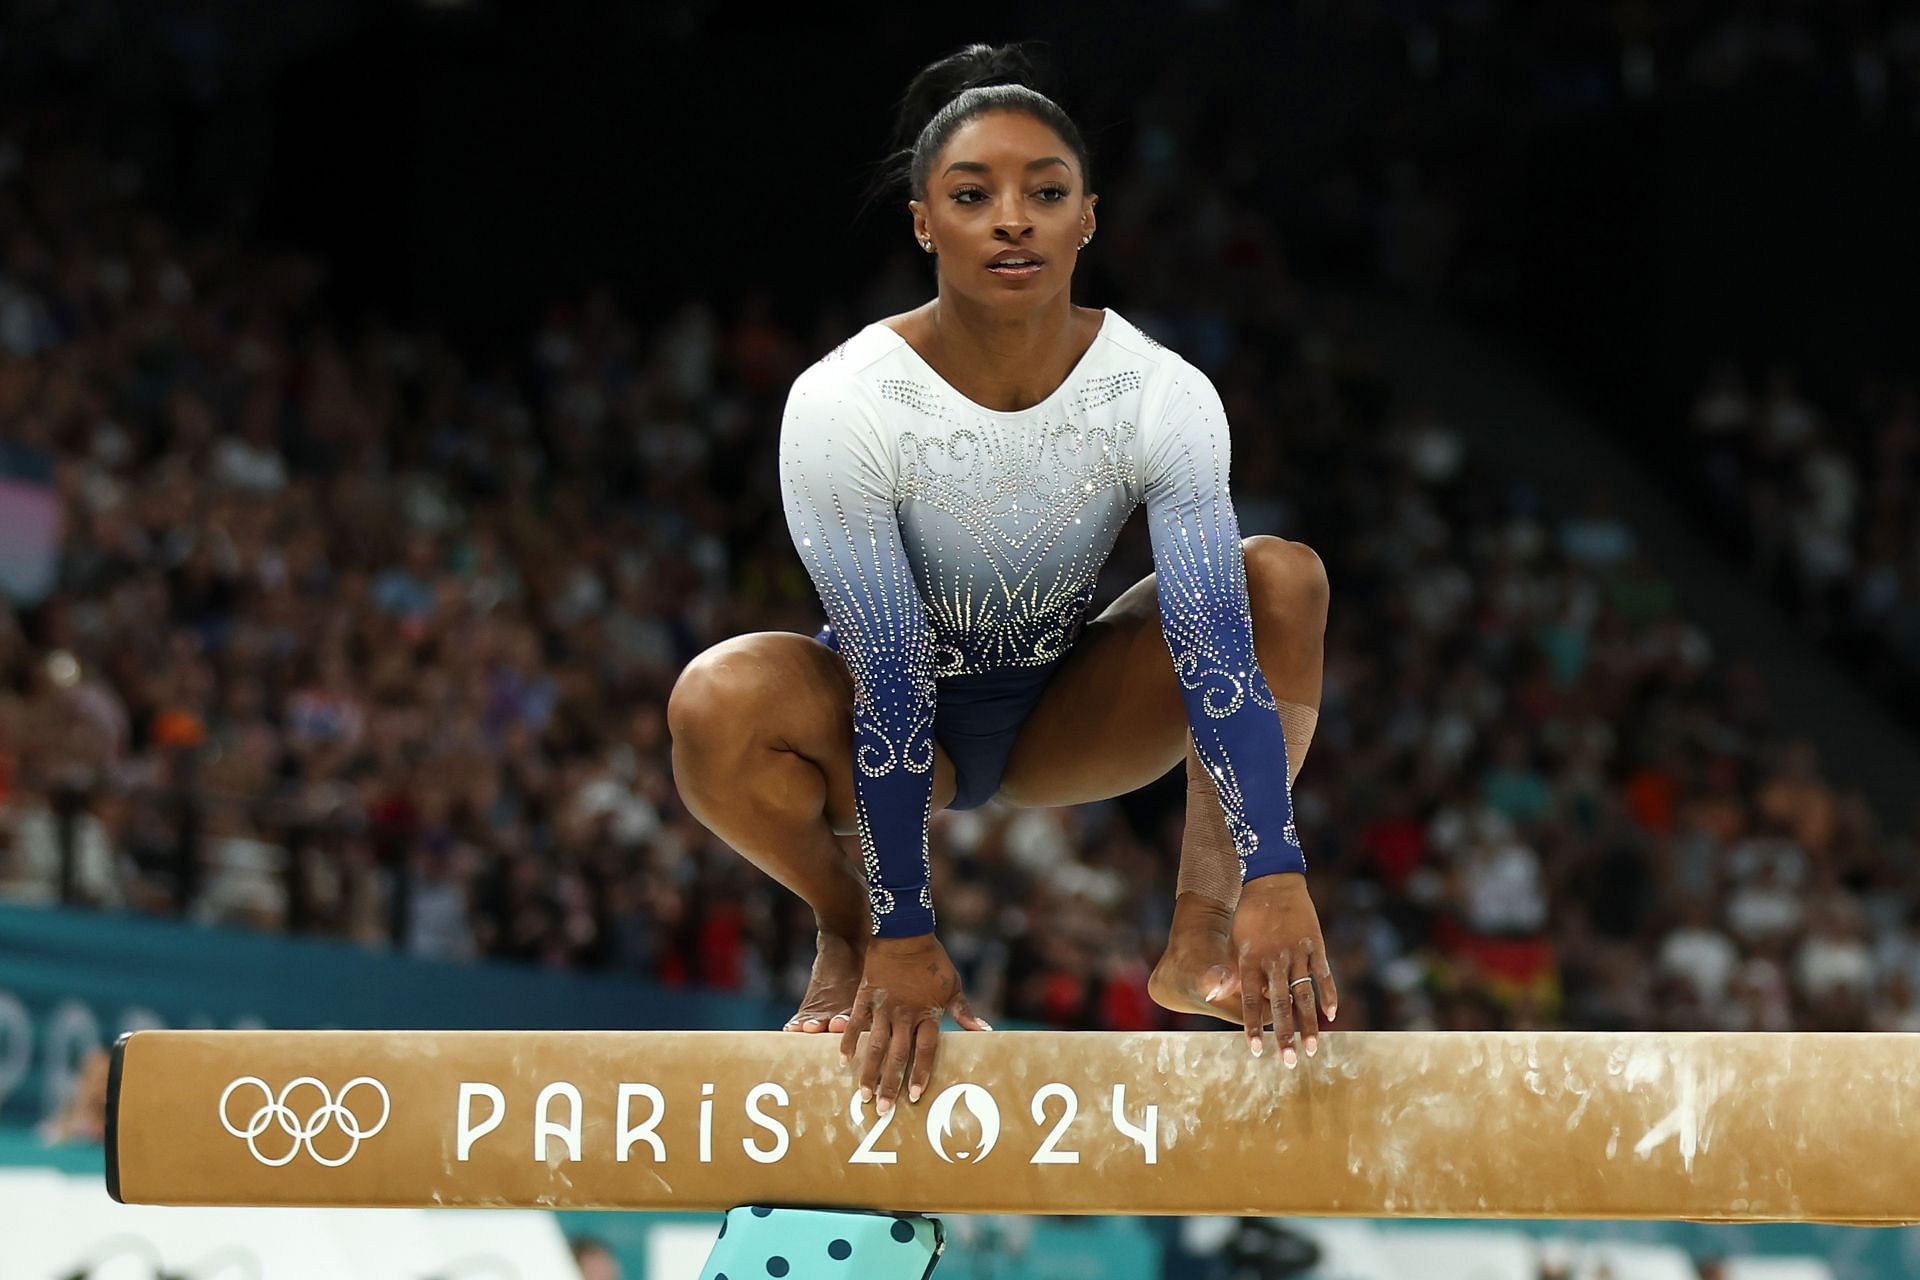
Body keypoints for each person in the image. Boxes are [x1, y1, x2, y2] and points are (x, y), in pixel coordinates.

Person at [668, 41, 1336, 1116]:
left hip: (1067, 711)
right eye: (974, 195)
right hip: (893, 737)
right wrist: (902, 928)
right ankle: (844, 923)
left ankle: (1200, 936)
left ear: (1088, 218)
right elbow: (888, 676)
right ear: (926, 221)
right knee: (718, 699)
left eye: (1046, 192)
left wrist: (1276, 867)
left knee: (1282, 580)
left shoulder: (1157, 392)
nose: (1012, 218)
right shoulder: (848, 401)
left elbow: (1214, 647)